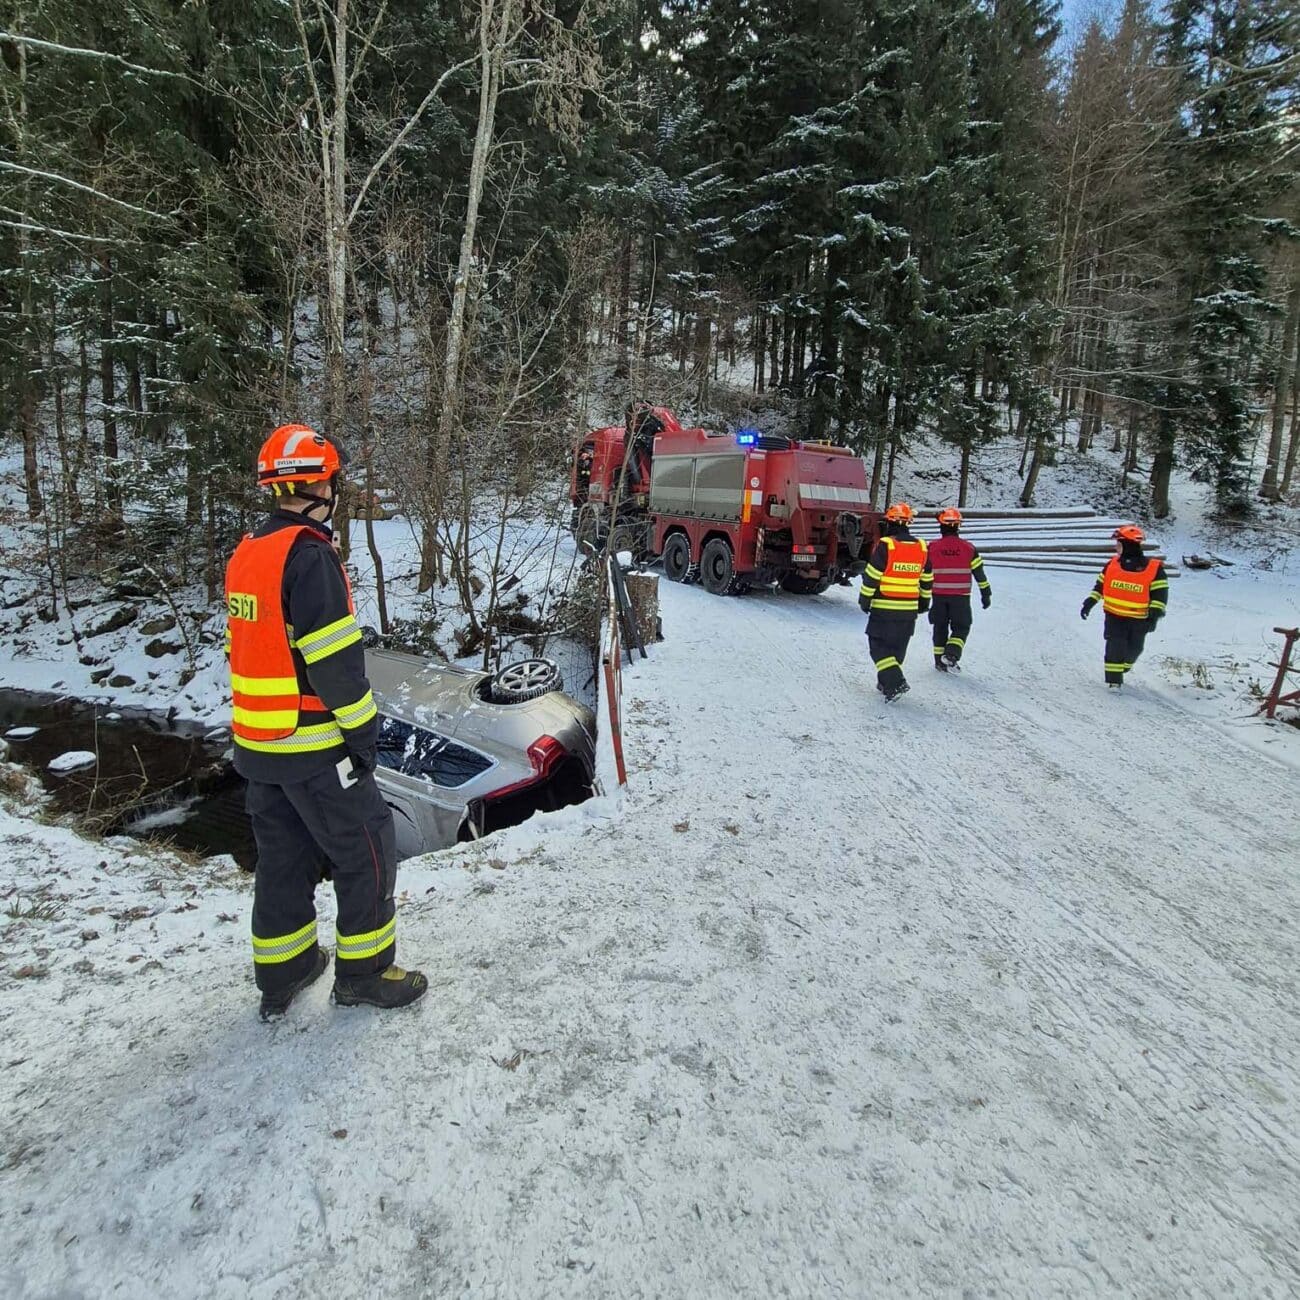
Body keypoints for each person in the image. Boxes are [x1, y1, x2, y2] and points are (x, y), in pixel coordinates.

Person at [224, 423, 427, 1019]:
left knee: (282, 858)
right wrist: (363, 738)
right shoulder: (310, 557)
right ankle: (364, 974)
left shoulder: (248, 552)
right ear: (322, 487)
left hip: (258, 746)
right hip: (313, 744)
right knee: (368, 848)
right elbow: (337, 665)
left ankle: (284, 974)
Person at [858, 502, 933, 702]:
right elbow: (927, 580)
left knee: (878, 647)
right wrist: (924, 602)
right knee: (896, 650)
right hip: (908, 611)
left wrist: (864, 599)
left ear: (889, 522)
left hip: (884, 608)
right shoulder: (922, 547)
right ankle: (885, 683)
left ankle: (895, 682)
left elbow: (872, 576)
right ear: (909, 523)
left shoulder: (887, 545)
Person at [1080, 524, 1169, 688]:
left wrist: (1154, 616)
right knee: (1115, 645)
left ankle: (1122, 668)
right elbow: (1100, 586)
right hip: (1114, 616)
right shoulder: (1112, 565)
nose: (1116, 547)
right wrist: (1090, 602)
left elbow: (1160, 595)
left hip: (1139, 619)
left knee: (1135, 650)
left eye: (1118, 543)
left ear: (1127, 545)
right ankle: (1114, 681)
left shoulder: (1154, 569)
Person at [927, 507, 992, 672]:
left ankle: (939, 661)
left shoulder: (932, 547)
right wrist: (986, 593)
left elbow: (923, 572)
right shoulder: (968, 548)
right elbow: (979, 573)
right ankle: (952, 654)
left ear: (941, 526)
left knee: (939, 627)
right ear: (958, 526)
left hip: (938, 596)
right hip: (960, 597)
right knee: (962, 626)